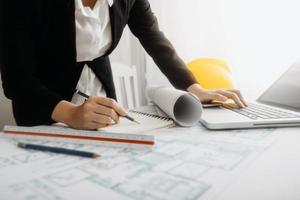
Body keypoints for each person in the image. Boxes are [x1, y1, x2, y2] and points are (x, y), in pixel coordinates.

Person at [0, 0, 246, 130]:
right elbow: (17, 81)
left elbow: (154, 38)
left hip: (102, 97)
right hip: (45, 106)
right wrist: (72, 113)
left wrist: (194, 87)